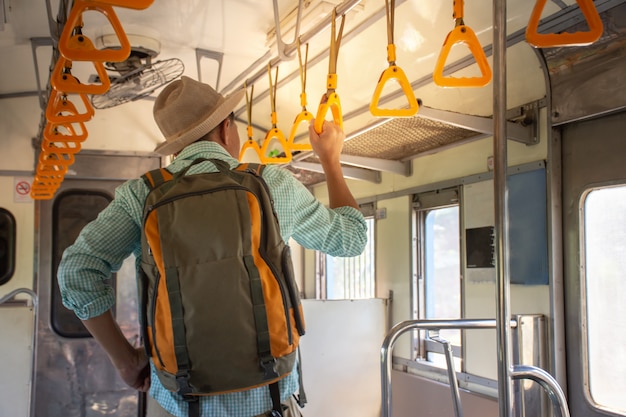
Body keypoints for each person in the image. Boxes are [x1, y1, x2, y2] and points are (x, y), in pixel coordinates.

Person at [57, 76, 368, 417]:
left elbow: (77, 272)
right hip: (269, 400)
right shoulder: (273, 183)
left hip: (180, 402)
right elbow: (350, 239)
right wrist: (330, 161)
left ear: (175, 147)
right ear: (226, 129)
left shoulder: (141, 195)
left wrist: (126, 360)